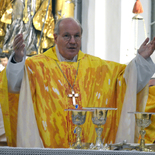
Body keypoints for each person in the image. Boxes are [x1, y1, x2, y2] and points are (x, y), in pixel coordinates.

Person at [0, 17, 155, 148]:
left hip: (89, 145)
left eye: (77, 36)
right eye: (67, 36)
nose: (73, 41)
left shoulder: (97, 66)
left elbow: (125, 81)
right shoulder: (37, 66)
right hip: (49, 146)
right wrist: (18, 60)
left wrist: (140, 60)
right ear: (55, 38)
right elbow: (15, 86)